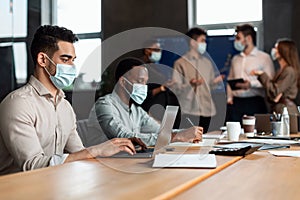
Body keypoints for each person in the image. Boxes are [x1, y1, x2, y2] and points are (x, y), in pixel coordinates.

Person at [0, 25, 140, 175]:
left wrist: (111, 154)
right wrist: (96, 150)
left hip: (53, 183)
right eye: (65, 59)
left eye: (73, 60)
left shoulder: (64, 106)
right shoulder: (18, 104)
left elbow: (78, 154)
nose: (72, 66)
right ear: (42, 59)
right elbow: (33, 165)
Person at [90, 57, 203, 146]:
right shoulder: (104, 105)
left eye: (145, 82)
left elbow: (161, 131)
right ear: (123, 82)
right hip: (102, 165)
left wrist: (186, 132)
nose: (144, 87)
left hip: (126, 161)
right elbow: (124, 137)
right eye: (140, 81)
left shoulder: (136, 110)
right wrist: (177, 136)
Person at [171, 27, 224, 133]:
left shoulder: (207, 63)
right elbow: (175, 88)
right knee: (190, 140)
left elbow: (210, 86)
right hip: (189, 109)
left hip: (207, 109)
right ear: (193, 42)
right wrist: (189, 84)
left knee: (206, 139)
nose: (204, 44)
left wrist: (215, 82)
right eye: (202, 41)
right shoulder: (180, 63)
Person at [226, 24, 275, 122]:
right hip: (236, 103)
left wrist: (251, 84)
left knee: (256, 133)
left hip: (255, 102)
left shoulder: (264, 57)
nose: (236, 41)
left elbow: (270, 82)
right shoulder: (236, 59)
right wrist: (229, 97)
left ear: (248, 38)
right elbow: (229, 80)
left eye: (238, 38)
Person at [251, 38, 300, 114]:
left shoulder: (289, 71)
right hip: (279, 109)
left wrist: (262, 75)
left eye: (276, 48)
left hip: (286, 110)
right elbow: (273, 95)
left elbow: (275, 91)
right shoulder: (281, 71)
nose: (273, 50)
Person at [139, 40, 181, 128]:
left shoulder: (155, 67)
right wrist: (162, 88)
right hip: (152, 109)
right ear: (147, 50)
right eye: (156, 50)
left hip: (164, 106)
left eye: (160, 50)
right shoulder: (141, 68)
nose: (159, 53)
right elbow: (142, 92)